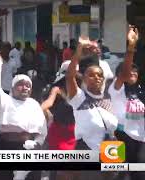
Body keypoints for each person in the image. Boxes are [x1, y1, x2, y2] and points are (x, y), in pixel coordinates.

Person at [0, 52, 47, 180]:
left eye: (28, 85)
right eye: (20, 84)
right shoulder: (4, 101)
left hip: (29, 150)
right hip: (5, 149)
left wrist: (37, 143)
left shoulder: (34, 105)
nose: (25, 87)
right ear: (12, 88)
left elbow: (41, 131)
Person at [66, 37, 118, 179]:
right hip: (86, 150)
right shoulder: (79, 98)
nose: (97, 78)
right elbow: (70, 76)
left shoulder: (107, 97)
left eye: (100, 75)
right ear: (83, 79)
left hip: (111, 148)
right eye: (91, 75)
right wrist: (79, 50)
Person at [108, 26, 144, 180]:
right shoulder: (116, 89)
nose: (133, 73)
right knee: (116, 175)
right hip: (118, 137)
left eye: (136, 72)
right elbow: (125, 72)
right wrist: (131, 48)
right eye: (130, 71)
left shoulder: (141, 91)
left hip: (140, 140)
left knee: (139, 175)